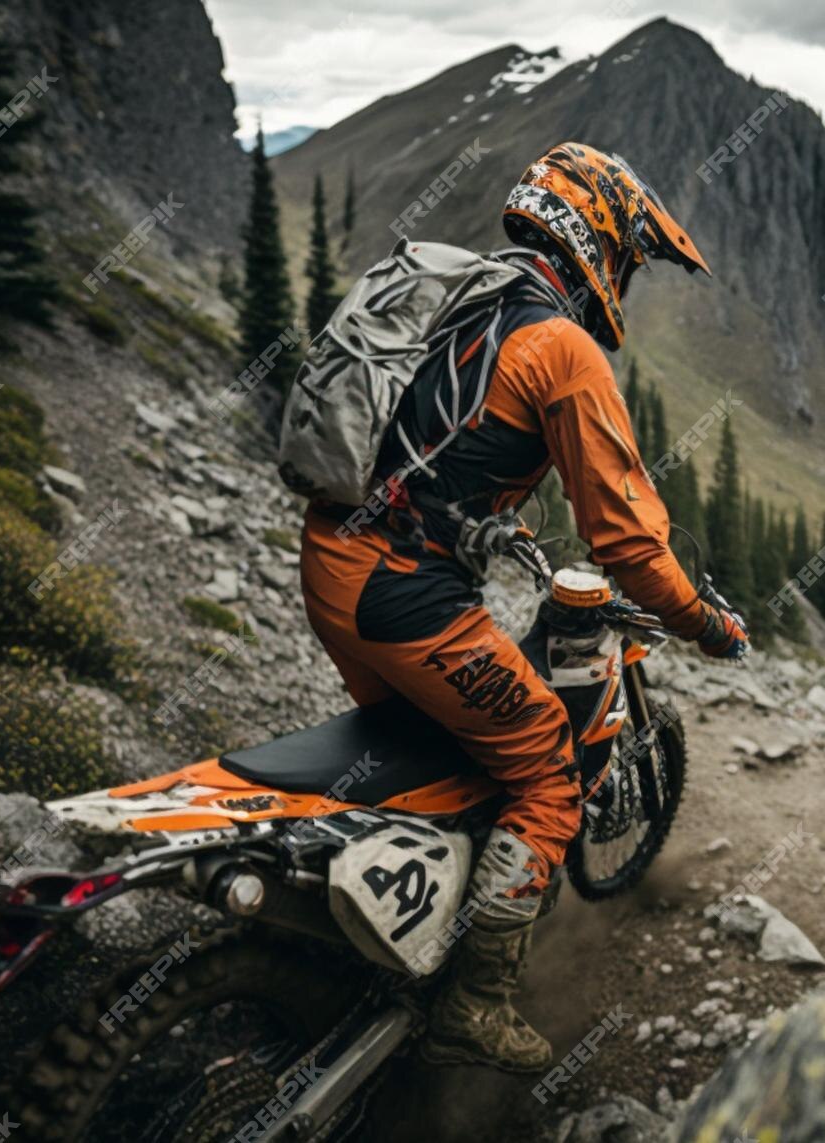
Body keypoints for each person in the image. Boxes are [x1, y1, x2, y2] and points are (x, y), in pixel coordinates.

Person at [297, 142, 749, 1072]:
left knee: (430, 756)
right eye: (627, 257)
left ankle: (378, 924)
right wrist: (702, 620)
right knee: (545, 769)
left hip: (328, 560)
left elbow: (429, 440)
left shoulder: (465, 296)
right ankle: (474, 1001)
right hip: (401, 595)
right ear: (598, 245)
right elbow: (623, 538)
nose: (624, 274)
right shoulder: (561, 346)